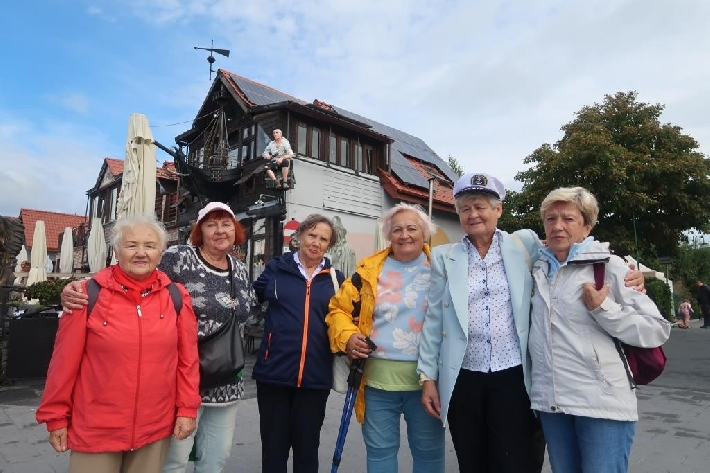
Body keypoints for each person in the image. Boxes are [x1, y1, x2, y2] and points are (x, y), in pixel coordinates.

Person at [417, 172, 645, 473]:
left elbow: (574, 251)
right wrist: (428, 377)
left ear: (498, 210)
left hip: (515, 374)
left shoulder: (524, 245)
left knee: (518, 460)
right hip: (463, 375)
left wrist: (628, 271)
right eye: (465, 209)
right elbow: (434, 318)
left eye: (481, 207)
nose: (473, 215)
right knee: (472, 460)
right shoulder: (444, 257)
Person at [61, 202, 257, 473]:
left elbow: (247, 310)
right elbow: (137, 271)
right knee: (174, 461)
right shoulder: (179, 257)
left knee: (216, 458)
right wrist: (80, 287)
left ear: (236, 230)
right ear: (199, 231)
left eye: (226, 224)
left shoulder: (240, 269)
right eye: (211, 225)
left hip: (226, 381)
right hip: (181, 381)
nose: (220, 231)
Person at [37, 215, 200, 473]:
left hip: (154, 426)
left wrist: (187, 409)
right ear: (116, 250)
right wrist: (55, 416)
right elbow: (63, 363)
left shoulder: (176, 296)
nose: (141, 253)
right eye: (131, 245)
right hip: (96, 428)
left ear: (160, 253)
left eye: (149, 246)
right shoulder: (86, 295)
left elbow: (188, 361)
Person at [528, 186, 670, 472]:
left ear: (587, 226)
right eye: (550, 219)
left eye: (568, 219)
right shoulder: (537, 268)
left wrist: (603, 309)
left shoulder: (610, 267)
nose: (557, 226)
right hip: (553, 404)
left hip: (602, 405)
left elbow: (656, 329)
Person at [327, 203, 445, 473]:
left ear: (425, 232)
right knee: (380, 453)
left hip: (428, 381)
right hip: (376, 380)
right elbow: (338, 310)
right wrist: (348, 336)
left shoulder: (441, 269)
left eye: (412, 228)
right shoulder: (368, 271)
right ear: (388, 235)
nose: (404, 235)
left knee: (429, 453)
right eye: (397, 229)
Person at [252, 214, 344, 473]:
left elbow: (346, 319)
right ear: (300, 236)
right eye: (312, 235)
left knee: (307, 450)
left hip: (315, 376)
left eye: (323, 239)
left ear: (329, 245)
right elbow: (252, 299)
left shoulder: (336, 279)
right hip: (274, 373)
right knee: (274, 450)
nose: (316, 242)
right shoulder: (276, 269)